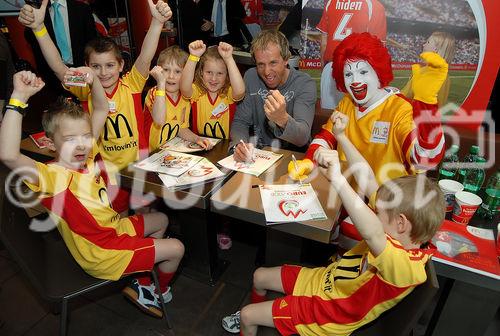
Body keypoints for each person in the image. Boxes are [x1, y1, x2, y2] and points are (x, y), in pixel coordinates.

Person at [221, 129, 445, 335]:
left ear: (402, 223)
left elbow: (373, 234)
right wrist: (341, 135)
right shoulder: (400, 229)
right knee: (259, 275)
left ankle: (249, 320)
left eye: (379, 213)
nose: (375, 211)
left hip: (329, 314)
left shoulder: (406, 268)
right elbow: (365, 177)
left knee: (249, 314)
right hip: (325, 281)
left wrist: (337, 178)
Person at [0, 70, 185, 318]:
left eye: (86, 136)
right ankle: (156, 290)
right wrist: (19, 97)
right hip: (100, 253)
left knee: (161, 219)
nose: (81, 144)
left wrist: (93, 80)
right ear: (51, 143)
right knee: (177, 247)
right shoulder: (52, 178)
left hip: (113, 230)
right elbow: (8, 155)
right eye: (69, 140)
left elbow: (100, 108)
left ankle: (142, 282)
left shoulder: (86, 154)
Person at [19, 0, 173, 213]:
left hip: (138, 165)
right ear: (87, 68)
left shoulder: (132, 83)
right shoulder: (86, 89)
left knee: (146, 212)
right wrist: (39, 29)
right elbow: (58, 67)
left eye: (110, 65)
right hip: (106, 170)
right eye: (96, 67)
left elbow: (145, 57)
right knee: (117, 215)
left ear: (120, 65)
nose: (104, 72)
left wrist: (157, 23)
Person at [289, 33, 447, 186]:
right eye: (348, 74)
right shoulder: (347, 103)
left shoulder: (400, 109)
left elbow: (425, 160)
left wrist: (427, 105)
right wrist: (309, 162)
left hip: (384, 207)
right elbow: (326, 137)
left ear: (378, 71)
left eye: (363, 71)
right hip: (345, 198)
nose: (355, 81)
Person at [230, 30, 316, 163]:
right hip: (258, 158)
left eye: (273, 63)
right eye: (261, 64)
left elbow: (302, 138)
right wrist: (239, 145)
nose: (267, 71)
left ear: (286, 59)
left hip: (294, 159)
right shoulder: (251, 76)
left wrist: (282, 119)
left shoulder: (304, 83)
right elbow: (240, 122)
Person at [317, 0, 386, 109]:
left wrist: (324, 65)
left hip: (332, 66)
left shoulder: (331, 2)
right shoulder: (374, 5)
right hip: (358, 71)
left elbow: (324, 40)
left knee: (328, 118)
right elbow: (378, 48)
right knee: (357, 118)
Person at [144, 46, 213, 152]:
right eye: (166, 70)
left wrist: (197, 138)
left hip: (169, 152)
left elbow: (181, 128)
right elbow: (159, 120)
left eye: (177, 71)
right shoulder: (155, 92)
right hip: (149, 154)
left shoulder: (185, 97)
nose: (171, 76)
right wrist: (161, 83)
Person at [24, 0, 97, 93]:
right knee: (59, 105)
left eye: (110, 65)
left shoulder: (82, 8)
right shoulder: (38, 10)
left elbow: (92, 42)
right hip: (51, 77)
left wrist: (91, 69)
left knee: (84, 100)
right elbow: (31, 40)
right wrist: (33, 23)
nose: (104, 72)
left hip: (81, 71)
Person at [180, 40, 245, 140]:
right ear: (201, 72)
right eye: (209, 72)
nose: (214, 79)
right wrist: (193, 57)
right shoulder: (197, 91)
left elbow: (240, 91)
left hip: (224, 147)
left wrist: (229, 59)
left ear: (227, 75)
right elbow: (184, 88)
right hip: (201, 145)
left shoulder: (228, 92)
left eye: (220, 73)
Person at [401, 31, 456, 107]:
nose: (424, 45)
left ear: (436, 49)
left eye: (428, 42)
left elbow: (405, 97)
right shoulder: (445, 77)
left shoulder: (426, 73)